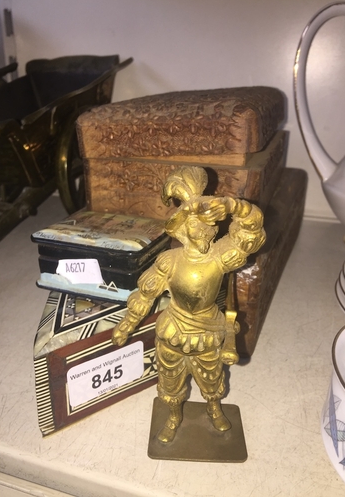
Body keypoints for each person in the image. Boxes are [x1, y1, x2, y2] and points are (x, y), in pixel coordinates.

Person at [112, 166, 266, 443]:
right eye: (196, 225)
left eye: (208, 225)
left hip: (208, 332)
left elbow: (251, 235)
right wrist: (127, 325)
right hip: (173, 331)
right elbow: (145, 295)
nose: (204, 231)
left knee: (212, 378)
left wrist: (234, 206)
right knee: (170, 381)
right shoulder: (169, 261)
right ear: (183, 229)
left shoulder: (220, 257)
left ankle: (214, 408)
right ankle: (173, 416)